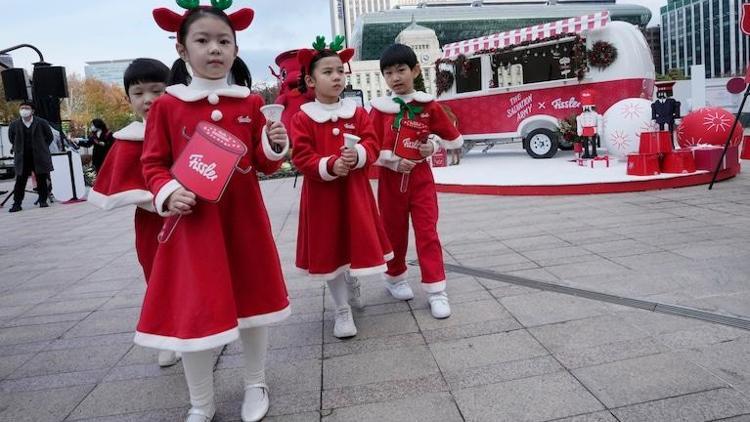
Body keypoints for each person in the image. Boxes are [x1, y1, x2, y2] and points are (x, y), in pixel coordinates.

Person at [139, 3, 291, 422]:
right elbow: (152, 164)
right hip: (194, 228)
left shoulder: (252, 102)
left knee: (254, 303)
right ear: (182, 49)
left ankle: (255, 382)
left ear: (236, 48)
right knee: (197, 310)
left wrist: (273, 142)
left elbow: (264, 164)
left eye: (224, 41)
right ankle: (201, 401)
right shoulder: (169, 106)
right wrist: (168, 193)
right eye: (202, 40)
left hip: (244, 224)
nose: (214, 49)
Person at [290, 35, 393, 339]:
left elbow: (373, 143)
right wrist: (329, 165)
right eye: (328, 72)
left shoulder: (357, 112)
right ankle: (341, 309)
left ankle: (353, 281)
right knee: (329, 249)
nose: (336, 77)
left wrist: (359, 154)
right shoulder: (303, 117)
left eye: (340, 71)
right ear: (310, 80)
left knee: (352, 241)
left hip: (354, 194)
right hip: (322, 197)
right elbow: (301, 155)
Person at [87, 58, 180, 368]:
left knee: (193, 274)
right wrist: (157, 198)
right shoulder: (128, 139)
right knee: (157, 276)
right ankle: (166, 336)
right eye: (138, 93)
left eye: (157, 90)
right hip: (153, 224)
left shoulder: (182, 128)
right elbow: (123, 181)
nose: (149, 100)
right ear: (129, 99)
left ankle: (195, 328)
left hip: (191, 217)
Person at [369, 43, 464, 319]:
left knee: (427, 233)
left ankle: (436, 290)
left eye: (401, 70)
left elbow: (451, 138)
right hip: (390, 181)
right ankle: (395, 278)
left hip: (421, 179)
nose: (395, 78)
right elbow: (370, 147)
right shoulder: (379, 109)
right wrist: (392, 160)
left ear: (415, 70)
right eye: (388, 73)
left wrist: (432, 146)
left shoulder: (428, 105)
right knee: (392, 232)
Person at [8, 101, 54, 213]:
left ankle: (43, 200)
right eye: (22, 108)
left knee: (41, 179)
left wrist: (42, 147)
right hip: (22, 157)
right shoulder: (14, 125)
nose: (24, 110)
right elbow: (11, 139)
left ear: (32, 110)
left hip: (38, 156)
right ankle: (17, 204)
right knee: (20, 181)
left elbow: (49, 137)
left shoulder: (41, 122)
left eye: (26, 108)